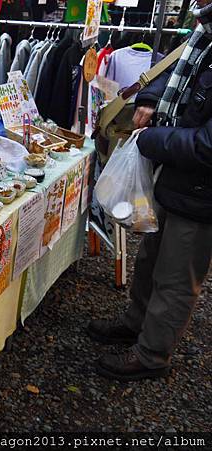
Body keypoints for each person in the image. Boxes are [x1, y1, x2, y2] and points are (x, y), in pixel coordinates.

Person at [88, 0, 212, 381]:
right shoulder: (203, 34)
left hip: (201, 192)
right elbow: (176, 75)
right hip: (175, 179)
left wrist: (154, 139)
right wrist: (148, 98)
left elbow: (208, 146)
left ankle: (152, 355)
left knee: (176, 276)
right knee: (151, 260)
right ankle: (136, 323)